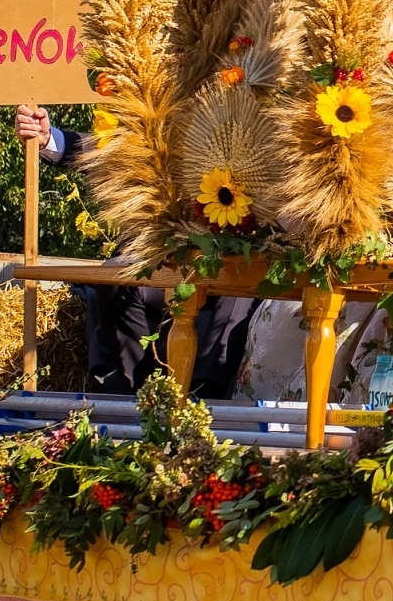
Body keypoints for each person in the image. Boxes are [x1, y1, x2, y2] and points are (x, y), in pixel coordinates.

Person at [14, 104, 255, 399]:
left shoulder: (257, 128)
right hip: (158, 259)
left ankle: (202, 400)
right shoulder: (170, 107)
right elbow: (117, 148)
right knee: (115, 275)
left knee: (243, 282)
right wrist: (48, 138)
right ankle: (126, 397)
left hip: (224, 271)